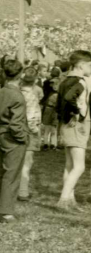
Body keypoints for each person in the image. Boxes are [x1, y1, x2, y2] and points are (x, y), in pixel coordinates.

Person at [0, 59, 29, 222]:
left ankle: (2, 208)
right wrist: (23, 138)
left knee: (4, 172)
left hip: (0, 132)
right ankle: (6, 212)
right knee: (12, 174)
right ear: (20, 75)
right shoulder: (17, 96)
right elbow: (16, 123)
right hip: (12, 136)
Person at [56, 50, 91, 209]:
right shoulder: (80, 82)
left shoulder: (64, 81)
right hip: (77, 126)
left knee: (69, 165)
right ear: (81, 65)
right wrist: (76, 113)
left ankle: (70, 200)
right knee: (79, 166)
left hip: (66, 124)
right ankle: (63, 200)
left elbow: (59, 104)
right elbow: (68, 98)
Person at [18, 66, 42, 201]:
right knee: (27, 162)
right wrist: (35, 130)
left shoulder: (16, 92)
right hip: (28, 130)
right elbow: (31, 115)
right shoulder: (32, 95)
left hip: (16, 129)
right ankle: (23, 191)